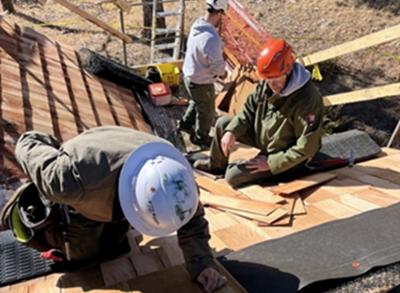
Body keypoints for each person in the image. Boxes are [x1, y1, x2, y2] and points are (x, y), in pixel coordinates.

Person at [0, 126, 226, 293]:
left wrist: (202, 264)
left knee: (115, 247)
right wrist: (60, 155)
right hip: (81, 189)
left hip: (107, 185)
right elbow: (28, 141)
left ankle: (111, 227)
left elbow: (191, 220)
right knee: (82, 261)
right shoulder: (65, 180)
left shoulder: (176, 179)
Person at [194, 39, 324, 188]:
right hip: (266, 138)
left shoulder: (307, 99)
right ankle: (215, 165)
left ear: (288, 71)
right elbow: (248, 112)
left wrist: (270, 163)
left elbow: (307, 148)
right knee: (224, 124)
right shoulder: (268, 82)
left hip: (287, 155)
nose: (271, 85)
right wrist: (232, 132)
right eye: (267, 80)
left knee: (233, 176)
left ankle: (282, 173)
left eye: (276, 80)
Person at [178, 0, 228, 146]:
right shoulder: (212, 39)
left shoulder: (197, 24)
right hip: (201, 82)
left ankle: (185, 125)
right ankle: (201, 138)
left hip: (189, 77)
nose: (222, 19)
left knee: (196, 102)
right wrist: (223, 74)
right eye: (222, 15)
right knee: (207, 111)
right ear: (218, 13)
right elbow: (217, 68)